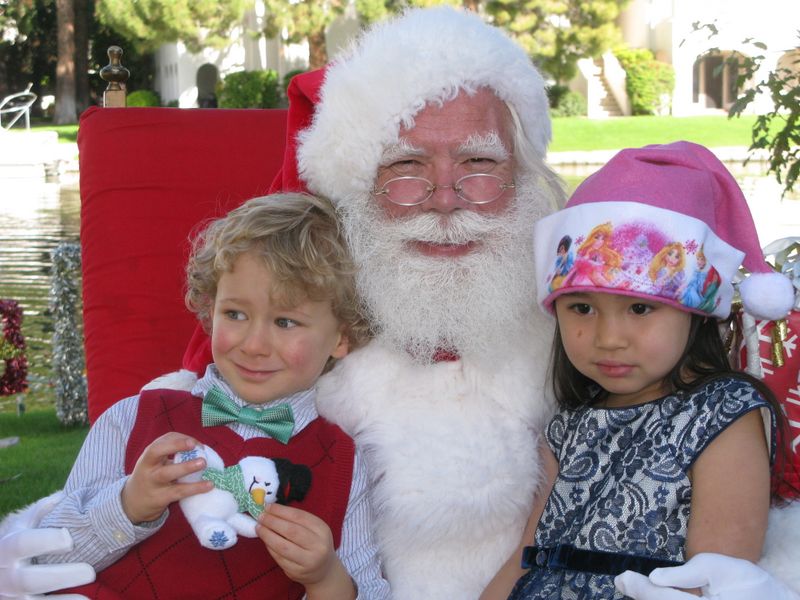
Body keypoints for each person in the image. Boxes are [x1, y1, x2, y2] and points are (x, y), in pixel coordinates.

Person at [3, 7, 800, 600]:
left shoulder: (577, 343)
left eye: (481, 162)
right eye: (408, 166)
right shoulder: (307, 345)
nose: (447, 198)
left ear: (526, 181)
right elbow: (174, 428)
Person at [34, 193, 390, 599]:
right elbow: (44, 560)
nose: (254, 344)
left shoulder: (345, 461)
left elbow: (371, 590)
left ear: (341, 337)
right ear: (210, 307)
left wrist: (325, 577)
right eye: (235, 314)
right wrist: (128, 505)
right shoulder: (131, 418)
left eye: (286, 321)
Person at [481, 141, 796, 599]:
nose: (609, 337)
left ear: (695, 312)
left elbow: (717, 578)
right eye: (582, 307)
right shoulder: (568, 422)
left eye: (641, 308)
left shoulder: (722, 415)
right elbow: (527, 553)